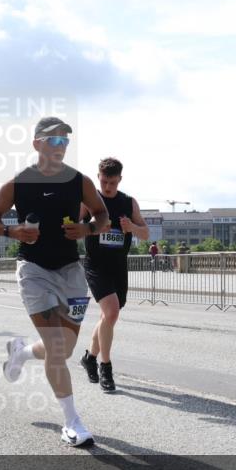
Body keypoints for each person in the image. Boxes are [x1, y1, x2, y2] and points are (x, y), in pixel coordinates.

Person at [0, 117, 109, 447]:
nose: (61, 146)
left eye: (65, 141)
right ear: (37, 143)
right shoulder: (19, 183)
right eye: (54, 140)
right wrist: (12, 231)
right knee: (56, 347)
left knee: (64, 349)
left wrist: (87, 229)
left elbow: (102, 215)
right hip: (34, 269)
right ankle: (72, 422)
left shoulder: (80, 181)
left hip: (71, 271)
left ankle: (21, 353)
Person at [78, 157, 149, 392]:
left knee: (108, 317)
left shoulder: (129, 202)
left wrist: (132, 228)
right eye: (104, 182)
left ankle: (89, 357)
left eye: (113, 182)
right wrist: (92, 226)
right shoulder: (89, 201)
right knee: (111, 312)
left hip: (118, 266)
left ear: (120, 179)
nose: (108, 187)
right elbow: (69, 227)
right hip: (96, 265)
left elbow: (146, 234)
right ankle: (105, 368)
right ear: (98, 177)